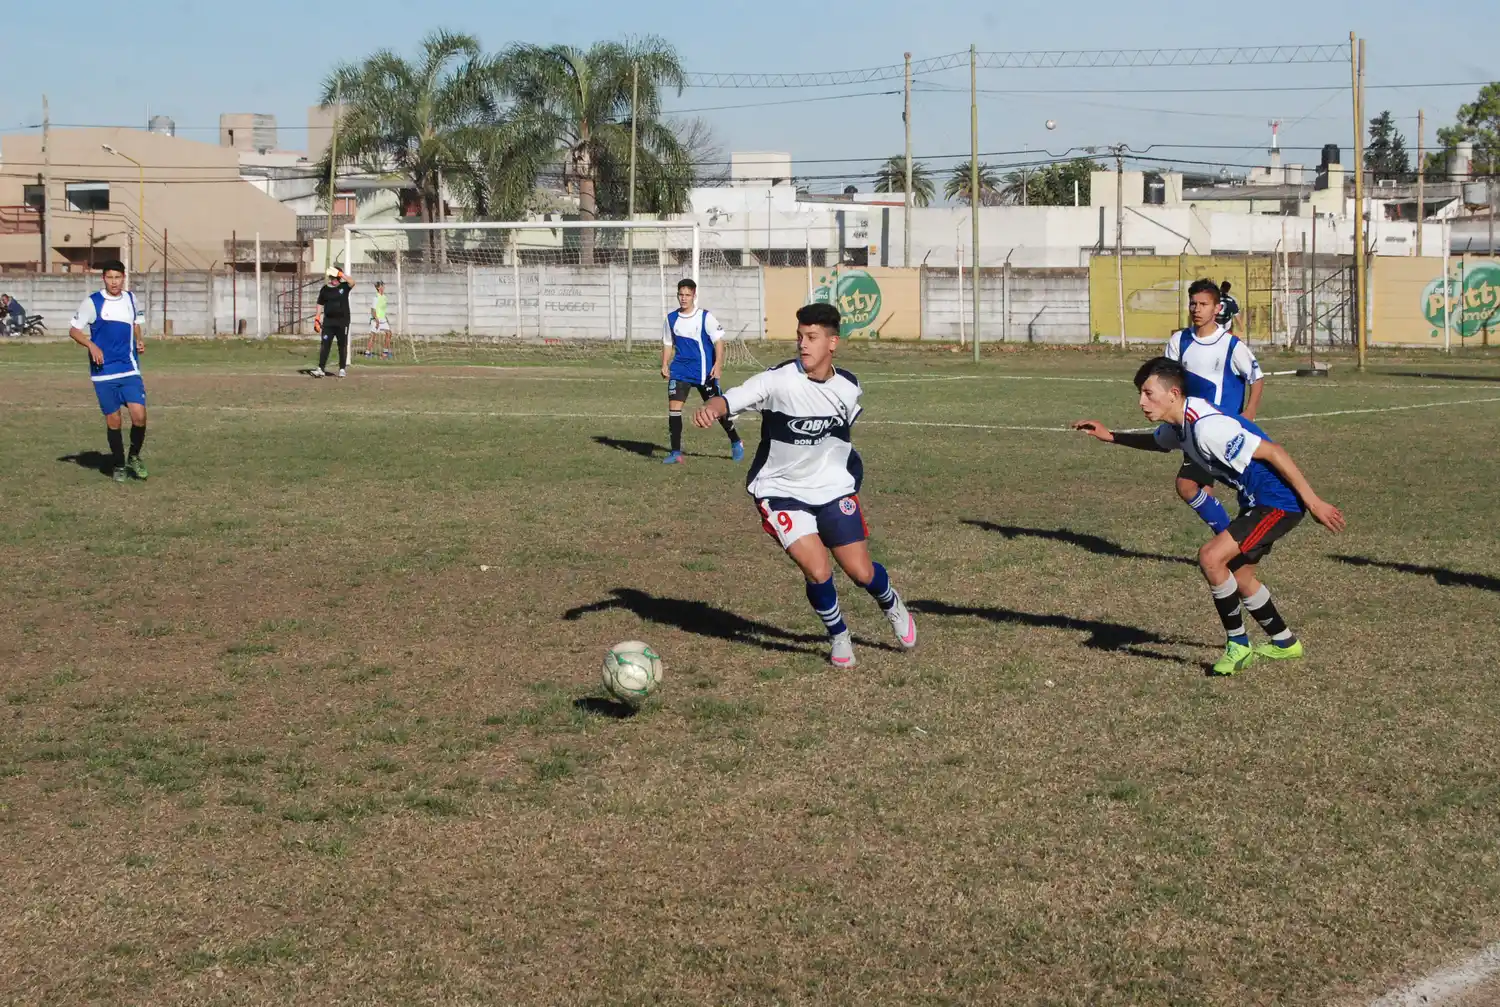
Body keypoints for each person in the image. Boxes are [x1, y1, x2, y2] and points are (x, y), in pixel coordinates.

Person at [1072, 357, 1345, 675]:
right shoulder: (1181, 424)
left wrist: (1314, 503)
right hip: (1258, 500)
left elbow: (1274, 451)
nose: (1141, 402)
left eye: (1148, 393)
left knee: (1211, 558)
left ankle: (1239, 646)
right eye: (1140, 395)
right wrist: (1111, 436)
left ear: (1173, 393)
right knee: (1241, 579)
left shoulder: (1206, 428)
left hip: (1279, 503)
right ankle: (1285, 642)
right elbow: (1157, 442)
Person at [693, 302, 917, 668]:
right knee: (818, 570)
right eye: (799, 337)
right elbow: (731, 398)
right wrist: (713, 409)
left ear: (833, 343)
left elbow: (843, 434)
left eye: (812, 337)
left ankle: (890, 602)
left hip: (832, 490)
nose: (803, 345)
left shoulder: (848, 387)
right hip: (781, 492)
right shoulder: (778, 380)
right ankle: (839, 635)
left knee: (861, 572)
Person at [1164, 278, 1264, 536]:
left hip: (1221, 430)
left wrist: (1250, 411)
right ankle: (1228, 542)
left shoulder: (1231, 345)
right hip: (1192, 429)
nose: (1196, 309)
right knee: (1199, 489)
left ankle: (1232, 540)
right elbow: (1168, 379)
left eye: (1203, 304)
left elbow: (1257, 377)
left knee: (1188, 485)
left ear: (1217, 309)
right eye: (1193, 303)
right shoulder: (1180, 340)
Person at [67, 260, 149, 483]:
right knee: (114, 421)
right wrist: (91, 345)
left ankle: (134, 456)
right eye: (110, 277)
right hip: (103, 372)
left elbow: (135, 323)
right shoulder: (93, 302)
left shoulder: (131, 299)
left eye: (118, 277)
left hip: (128, 367)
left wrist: (139, 340)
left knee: (139, 416)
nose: (114, 282)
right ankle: (119, 463)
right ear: (104, 278)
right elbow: (74, 330)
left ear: (124, 277)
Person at [661, 278, 743, 464]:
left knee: (717, 410)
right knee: (674, 409)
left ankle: (736, 441)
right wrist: (665, 363)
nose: (684, 298)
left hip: (704, 372)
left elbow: (718, 341)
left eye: (687, 295)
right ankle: (675, 452)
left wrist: (718, 364)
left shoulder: (705, 317)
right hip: (680, 371)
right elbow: (667, 343)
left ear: (694, 296)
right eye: (681, 295)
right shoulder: (671, 318)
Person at [311, 266, 354, 378]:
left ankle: (342, 368)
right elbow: (320, 304)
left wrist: (341, 274)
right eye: (333, 277)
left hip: (342, 322)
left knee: (342, 345)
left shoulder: (344, 287)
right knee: (325, 344)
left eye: (336, 277)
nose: (334, 280)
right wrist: (317, 319)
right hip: (328, 322)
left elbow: (352, 282)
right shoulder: (325, 289)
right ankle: (321, 368)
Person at [363, 280, 393, 359]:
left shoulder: (384, 297)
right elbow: (373, 310)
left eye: (384, 285)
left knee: (389, 333)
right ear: (379, 288)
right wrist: (376, 320)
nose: (384, 287)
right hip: (376, 320)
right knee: (373, 337)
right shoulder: (376, 298)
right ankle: (367, 353)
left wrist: (386, 319)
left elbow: (382, 310)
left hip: (383, 319)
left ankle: (385, 353)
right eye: (382, 286)